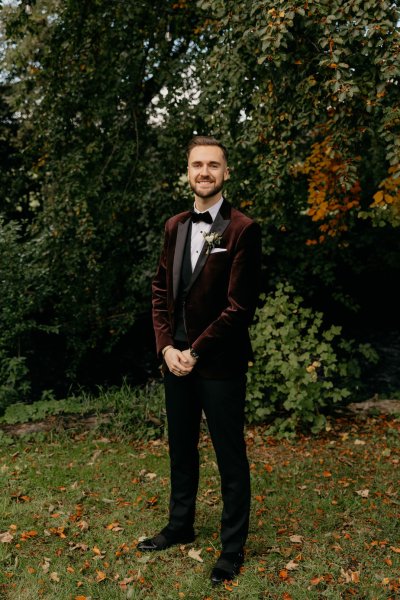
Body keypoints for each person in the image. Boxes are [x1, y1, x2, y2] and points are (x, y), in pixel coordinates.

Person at [138, 135, 262, 586]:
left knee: (230, 456)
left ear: (226, 172)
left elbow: (239, 308)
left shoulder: (242, 229)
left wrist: (194, 351)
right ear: (187, 172)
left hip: (219, 364)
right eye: (197, 165)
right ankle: (180, 525)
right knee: (181, 448)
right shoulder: (174, 226)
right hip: (176, 361)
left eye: (213, 165)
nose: (204, 172)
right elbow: (158, 292)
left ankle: (232, 549)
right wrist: (167, 348)